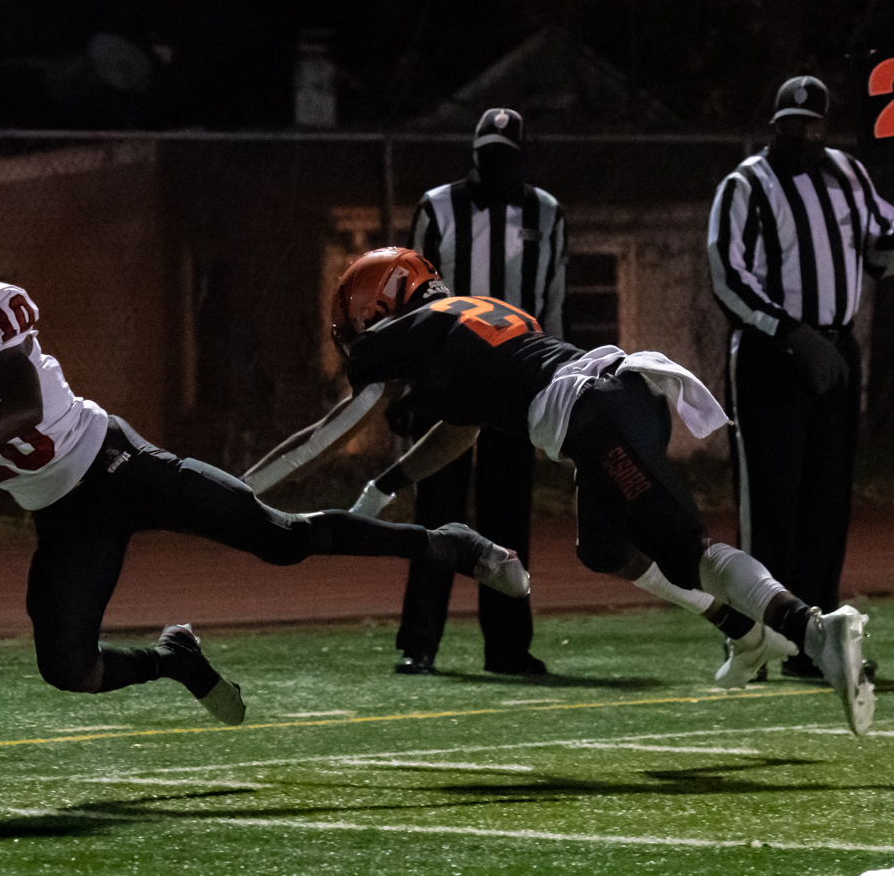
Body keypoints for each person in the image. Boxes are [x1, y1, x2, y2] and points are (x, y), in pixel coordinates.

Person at [0, 218, 526, 727]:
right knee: (65, 666)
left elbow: (23, 408)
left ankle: (445, 541)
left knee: (282, 541)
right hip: (64, 514)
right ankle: (177, 661)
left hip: (116, 464)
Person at [244, 247, 874, 736]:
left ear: (376, 308)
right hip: (609, 402)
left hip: (598, 416)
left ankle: (815, 628)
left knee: (692, 550)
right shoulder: (467, 317)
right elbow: (460, 431)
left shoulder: (420, 327)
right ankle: (743, 629)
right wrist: (384, 486)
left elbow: (334, 426)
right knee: (602, 547)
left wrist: (238, 490)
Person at [708, 75, 894, 680]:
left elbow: (879, 245)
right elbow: (727, 274)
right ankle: (757, 639)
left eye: (813, 125)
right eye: (791, 125)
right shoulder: (745, 184)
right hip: (773, 351)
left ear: (825, 126)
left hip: (836, 349)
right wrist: (791, 332)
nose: (803, 135)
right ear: (775, 126)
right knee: (770, 502)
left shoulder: (848, 173)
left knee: (825, 501)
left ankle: (813, 644)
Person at [384, 107, 566, 677]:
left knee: (507, 514)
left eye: (505, 156)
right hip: (448, 378)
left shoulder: (548, 212)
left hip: (518, 376)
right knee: (436, 512)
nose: (496, 165)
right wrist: (409, 381)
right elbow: (412, 299)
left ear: (521, 156)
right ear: (473, 154)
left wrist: (556, 379)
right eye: (487, 156)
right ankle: (420, 641)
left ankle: (508, 646)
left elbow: (553, 302)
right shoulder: (438, 207)